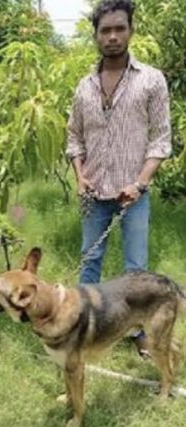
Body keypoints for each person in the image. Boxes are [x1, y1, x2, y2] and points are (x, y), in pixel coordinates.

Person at [66, 0, 171, 355]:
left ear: (130, 30)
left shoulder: (151, 81)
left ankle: (138, 332)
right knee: (89, 260)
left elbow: (160, 140)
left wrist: (139, 183)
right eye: (105, 30)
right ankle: (80, 325)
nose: (112, 36)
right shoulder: (84, 87)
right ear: (95, 35)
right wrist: (80, 178)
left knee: (135, 268)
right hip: (93, 195)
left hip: (134, 194)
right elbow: (74, 139)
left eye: (118, 29)